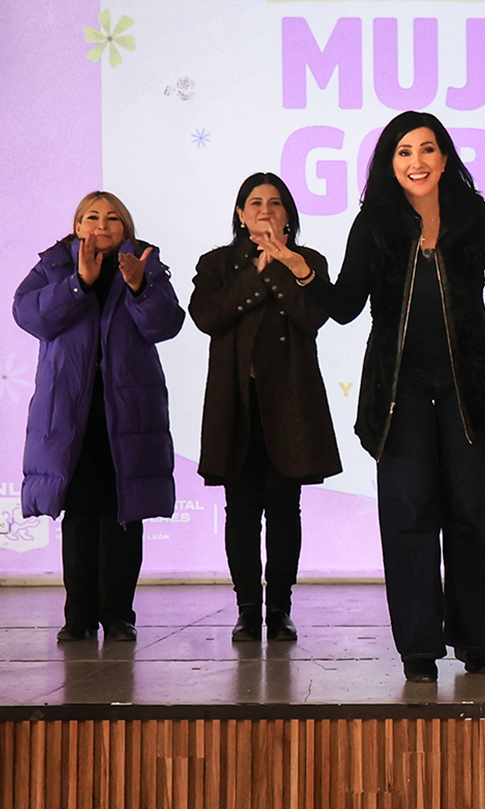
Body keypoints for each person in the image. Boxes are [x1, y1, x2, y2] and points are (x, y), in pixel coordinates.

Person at [252, 110, 485, 683]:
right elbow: (345, 307)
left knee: (474, 516)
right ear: (391, 164)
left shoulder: (471, 214)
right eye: (404, 152)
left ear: (445, 157)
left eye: (427, 149)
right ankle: (418, 647)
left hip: (468, 388)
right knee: (409, 517)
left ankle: (474, 640)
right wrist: (298, 266)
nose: (417, 161)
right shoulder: (375, 222)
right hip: (399, 391)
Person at [14, 191, 184, 642]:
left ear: (125, 228)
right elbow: (28, 314)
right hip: (72, 413)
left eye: (112, 218)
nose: (102, 226)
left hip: (128, 412)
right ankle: (79, 616)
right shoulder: (54, 266)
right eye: (92, 217)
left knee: (123, 514)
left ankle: (118, 614)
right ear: (77, 226)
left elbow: (165, 324)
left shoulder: (144, 265)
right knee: (80, 515)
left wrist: (139, 287)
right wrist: (79, 284)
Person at [189, 173, 342, 643]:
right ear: (240, 214)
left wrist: (281, 264)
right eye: (255, 203)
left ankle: (279, 608)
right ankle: (246, 608)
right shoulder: (216, 264)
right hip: (236, 403)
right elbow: (207, 316)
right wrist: (257, 272)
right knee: (240, 510)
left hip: (290, 404)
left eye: (275, 203)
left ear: (288, 215)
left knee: (283, 509)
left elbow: (313, 315)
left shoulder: (308, 261)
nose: (265, 210)